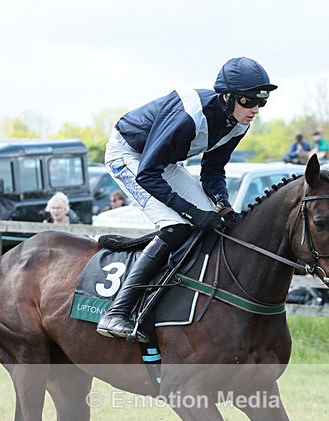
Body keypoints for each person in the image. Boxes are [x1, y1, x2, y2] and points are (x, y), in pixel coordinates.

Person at [96, 56, 277, 342]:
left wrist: (222, 202)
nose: (254, 110)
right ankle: (117, 311)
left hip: (164, 163)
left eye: (261, 103)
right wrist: (192, 212)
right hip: (130, 155)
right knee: (177, 225)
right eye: (248, 101)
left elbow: (214, 170)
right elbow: (147, 175)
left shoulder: (239, 122)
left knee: (217, 225)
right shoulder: (188, 115)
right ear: (227, 97)